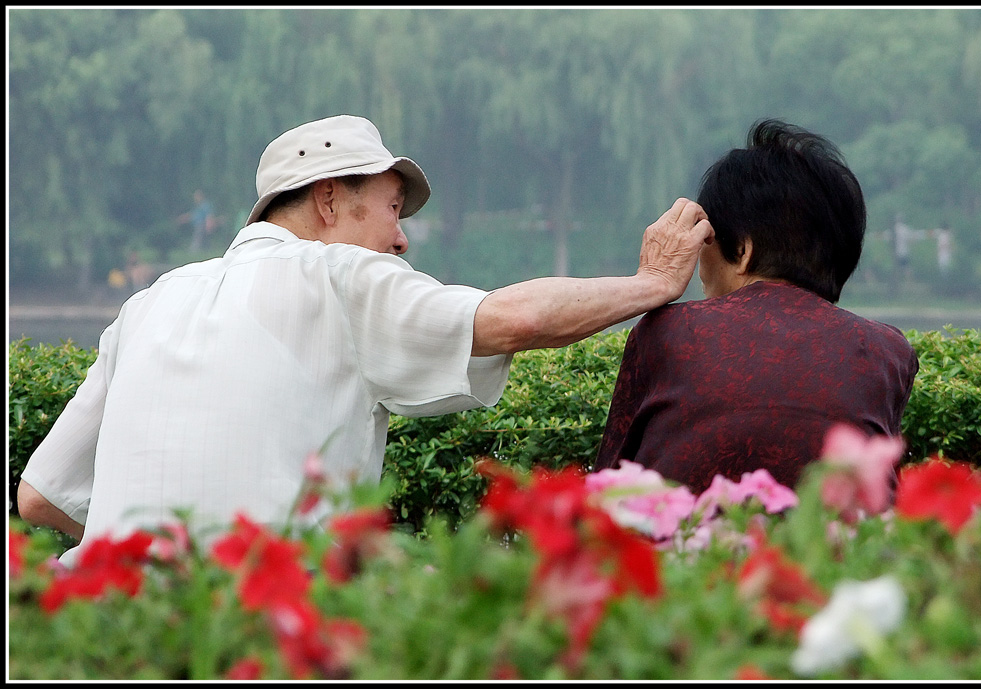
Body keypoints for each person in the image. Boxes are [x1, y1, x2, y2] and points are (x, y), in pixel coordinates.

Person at [17, 114, 714, 565]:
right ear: (327, 201)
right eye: (390, 208)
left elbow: (41, 496)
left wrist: (165, 546)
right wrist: (650, 284)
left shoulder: (148, 301)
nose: (402, 236)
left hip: (101, 625)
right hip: (266, 636)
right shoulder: (340, 275)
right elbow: (513, 319)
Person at [594, 119, 919, 495]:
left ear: (743, 251)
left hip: (689, 551)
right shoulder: (886, 351)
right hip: (829, 552)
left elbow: (610, 485)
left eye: (706, 240)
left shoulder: (668, 333)